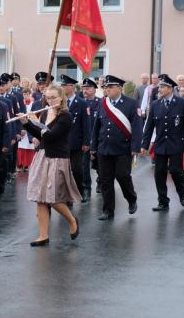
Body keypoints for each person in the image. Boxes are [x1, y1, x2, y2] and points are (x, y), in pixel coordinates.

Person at [18, 83, 81, 246]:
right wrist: (26, 123)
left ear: (61, 98)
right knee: (40, 197)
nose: (50, 101)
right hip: (42, 155)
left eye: (53, 98)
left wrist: (36, 122)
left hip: (57, 158)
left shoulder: (66, 116)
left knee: (53, 198)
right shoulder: (46, 113)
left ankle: (72, 220)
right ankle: (43, 235)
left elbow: (51, 136)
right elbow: (41, 135)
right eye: (48, 98)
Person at [90, 75, 143, 220]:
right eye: (105, 87)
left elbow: (137, 127)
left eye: (110, 87)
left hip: (123, 148)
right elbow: (97, 126)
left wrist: (135, 147)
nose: (107, 89)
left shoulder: (132, 104)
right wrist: (93, 147)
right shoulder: (103, 103)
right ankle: (108, 210)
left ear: (119, 88)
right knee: (105, 180)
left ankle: (131, 199)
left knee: (122, 176)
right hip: (104, 148)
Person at [141, 74, 184, 211]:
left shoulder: (182, 103)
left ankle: (182, 194)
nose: (159, 89)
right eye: (159, 87)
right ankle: (163, 201)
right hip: (160, 144)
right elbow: (149, 126)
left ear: (170, 89)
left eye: (162, 87)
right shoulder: (155, 104)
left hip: (176, 144)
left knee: (176, 171)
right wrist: (144, 145)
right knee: (159, 173)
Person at [59, 74, 91, 202]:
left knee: (77, 170)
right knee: (63, 171)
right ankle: (67, 196)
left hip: (76, 143)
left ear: (72, 87)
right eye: (61, 85)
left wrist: (86, 142)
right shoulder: (59, 102)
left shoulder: (82, 103)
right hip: (61, 143)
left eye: (64, 85)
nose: (62, 88)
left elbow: (86, 124)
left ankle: (79, 191)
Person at [80, 77, 100, 200]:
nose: (85, 90)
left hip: (98, 139)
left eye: (88, 88)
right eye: (84, 88)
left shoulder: (101, 103)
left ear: (94, 89)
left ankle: (100, 181)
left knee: (100, 164)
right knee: (83, 165)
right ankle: (86, 189)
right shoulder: (81, 103)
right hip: (84, 139)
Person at [17, 88, 36, 171]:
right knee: (21, 146)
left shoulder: (33, 104)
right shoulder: (21, 104)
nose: (25, 96)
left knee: (29, 146)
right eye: (24, 94)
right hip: (22, 127)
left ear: (30, 94)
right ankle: (20, 164)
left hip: (29, 126)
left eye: (27, 94)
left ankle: (28, 164)